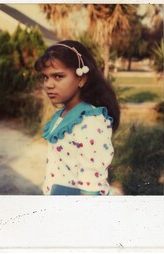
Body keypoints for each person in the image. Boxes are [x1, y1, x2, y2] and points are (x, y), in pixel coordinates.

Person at [34, 40, 120, 195]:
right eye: (46, 77)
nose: (48, 84)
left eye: (58, 76)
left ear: (81, 79)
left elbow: (92, 186)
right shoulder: (65, 114)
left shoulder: (91, 121)